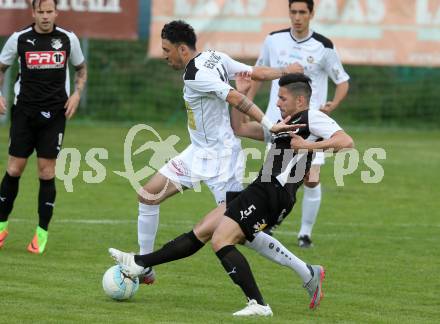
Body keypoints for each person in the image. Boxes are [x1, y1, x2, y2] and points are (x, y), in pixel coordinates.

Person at [109, 73, 354, 316]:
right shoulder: (285, 123)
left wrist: (308, 146)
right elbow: (240, 128)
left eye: (282, 98)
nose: (277, 102)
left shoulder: (312, 117)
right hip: (261, 187)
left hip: (274, 192)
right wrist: (244, 91)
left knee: (221, 239)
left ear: (300, 100)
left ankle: (258, 304)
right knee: (204, 228)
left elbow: (346, 141)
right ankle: (141, 262)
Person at [134, 20, 304, 284]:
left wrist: (271, 125)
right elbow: (254, 73)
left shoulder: (197, 75)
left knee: (239, 229)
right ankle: (143, 267)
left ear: (182, 49)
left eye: (166, 50)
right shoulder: (215, 57)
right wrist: (285, 69)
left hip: (223, 159)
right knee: (147, 195)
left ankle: (305, 270)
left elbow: (237, 97)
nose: (164, 55)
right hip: (197, 153)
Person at [247, 0, 350, 247]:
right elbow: (259, 73)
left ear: (311, 14)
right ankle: (266, 225)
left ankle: (304, 233)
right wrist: (247, 102)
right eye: (293, 11)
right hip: (278, 122)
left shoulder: (324, 46)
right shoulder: (273, 40)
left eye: (302, 12)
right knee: (274, 176)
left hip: (311, 126)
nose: (297, 17)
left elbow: (342, 80)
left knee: (310, 177)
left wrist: (332, 104)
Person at [0, 0, 87, 253]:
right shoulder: (19, 39)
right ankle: (2, 226)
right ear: (33, 13)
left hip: (55, 115)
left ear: (56, 12)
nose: (46, 16)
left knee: (46, 172)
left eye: (50, 11)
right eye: (41, 12)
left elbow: (81, 69)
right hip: (24, 113)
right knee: (14, 168)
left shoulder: (68, 39)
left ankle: (41, 234)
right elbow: (2, 67)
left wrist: (77, 95)